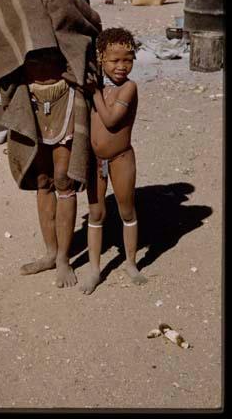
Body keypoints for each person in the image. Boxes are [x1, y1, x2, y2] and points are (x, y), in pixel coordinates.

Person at [0, 0, 102, 288]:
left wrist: (85, 69)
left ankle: (65, 258)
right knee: (43, 179)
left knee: (66, 179)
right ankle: (50, 252)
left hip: (66, 92)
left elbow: (85, 23)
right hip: (28, 95)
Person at [80, 27, 148, 294]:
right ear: (101, 58)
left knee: (126, 210)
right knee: (96, 213)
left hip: (121, 158)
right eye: (114, 60)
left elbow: (110, 120)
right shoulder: (97, 84)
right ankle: (95, 269)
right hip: (95, 160)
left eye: (128, 59)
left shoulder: (129, 88)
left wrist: (94, 92)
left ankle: (131, 263)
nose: (122, 66)